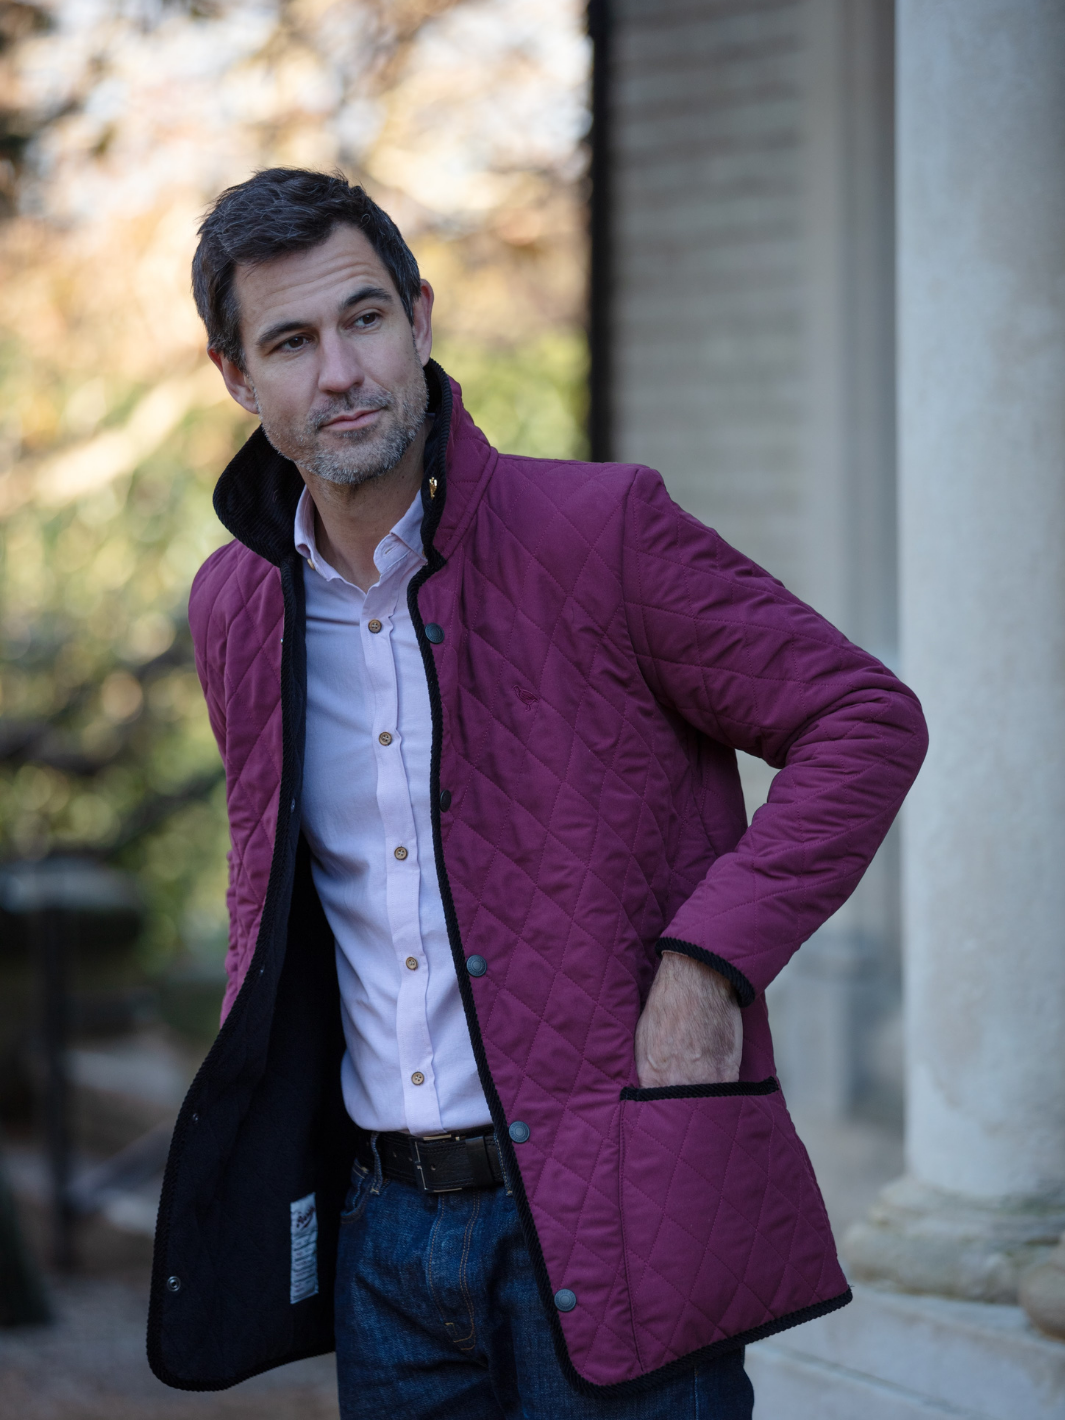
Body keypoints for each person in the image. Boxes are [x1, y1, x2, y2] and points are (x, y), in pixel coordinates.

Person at [147, 168, 927, 1419]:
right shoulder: (234, 606)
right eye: (290, 342)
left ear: (421, 319)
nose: (340, 372)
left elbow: (863, 719)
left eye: (364, 318)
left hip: (612, 1213)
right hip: (384, 1241)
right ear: (237, 378)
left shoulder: (599, 531)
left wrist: (708, 965)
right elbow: (270, 897)